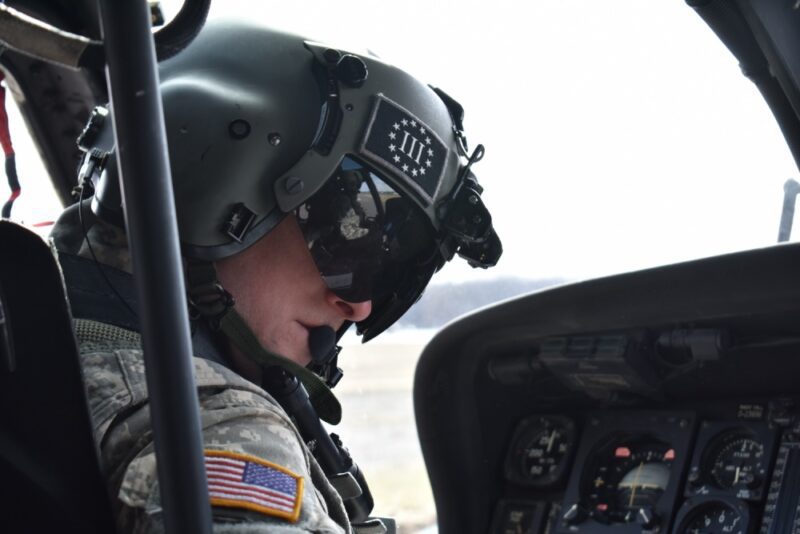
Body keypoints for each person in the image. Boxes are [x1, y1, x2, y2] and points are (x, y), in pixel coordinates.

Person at [51, 18, 501, 533]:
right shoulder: (212, 428)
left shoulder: (37, 329)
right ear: (213, 175)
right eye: (352, 244)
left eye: (386, 271)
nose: (360, 307)